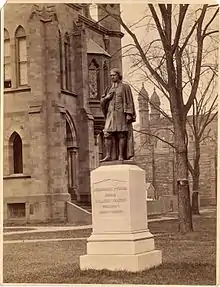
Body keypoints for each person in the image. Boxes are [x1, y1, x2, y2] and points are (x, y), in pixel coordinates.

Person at [100, 68, 136, 162]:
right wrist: (106, 98)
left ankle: (121, 155)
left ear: (118, 75)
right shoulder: (108, 88)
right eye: (111, 75)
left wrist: (129, 114)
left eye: (114, 75)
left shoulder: (125, 87)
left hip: (121, 114)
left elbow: (129, 101)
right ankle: (108, 155)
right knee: (107, 133)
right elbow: (102, 101)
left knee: (121, 134)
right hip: (110, 114)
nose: (112, 77)